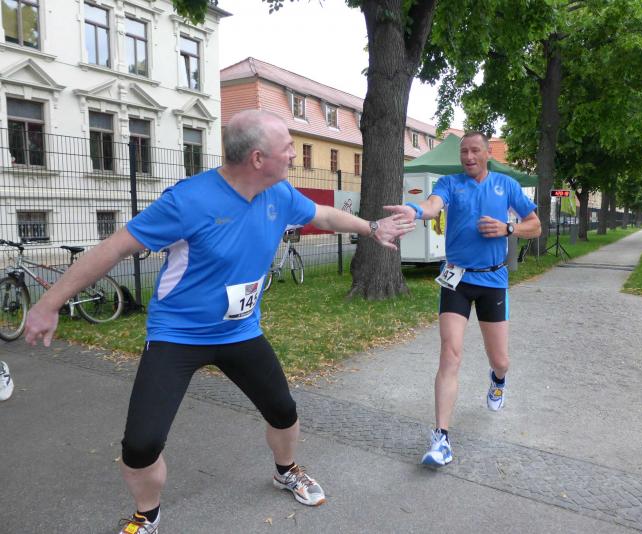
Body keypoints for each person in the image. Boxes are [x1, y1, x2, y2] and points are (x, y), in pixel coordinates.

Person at [23, 110, 415, 533]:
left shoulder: (278, 193)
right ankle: (147, 515)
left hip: (240, 332)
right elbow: (113, 249)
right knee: (141, 444)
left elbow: (321, 215)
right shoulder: (188, 200)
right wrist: (49, 303)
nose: (293, 155)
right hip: (177, 335)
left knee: (283, 411)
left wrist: (371, 227)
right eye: (287, 148)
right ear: (258, 158)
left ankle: (286, 470)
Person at [387, 131, 541, 467]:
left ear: (487, 154)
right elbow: (432, 206)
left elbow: (535, 225)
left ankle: (498, 379)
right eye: (464, 152)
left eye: (475, 151)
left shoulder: (506, 185)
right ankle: (441, 438)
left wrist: (508, 229)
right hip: (456, 279)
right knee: (450, 353)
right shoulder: (450, 183)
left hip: (493, 280)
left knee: (500, 360)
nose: (468, 157)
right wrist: (414, 209)